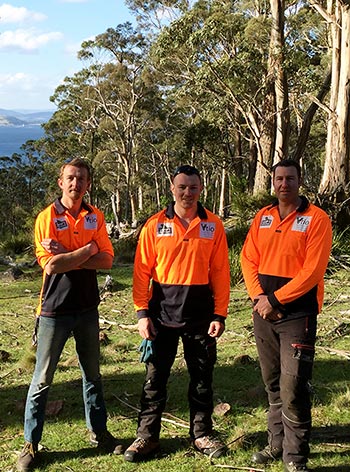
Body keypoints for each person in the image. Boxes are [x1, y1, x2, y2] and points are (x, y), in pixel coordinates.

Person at [17, 158, 121, 472]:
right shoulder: (46, 218)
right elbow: (51, 266)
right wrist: (87, 250)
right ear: (61, 182)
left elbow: (107, 261)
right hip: (53, 311)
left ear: (89, 184)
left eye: (82, 179)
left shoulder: (95, 216)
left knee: (93, 376)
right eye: (70, 178)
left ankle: (99, 433)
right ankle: (31, 444)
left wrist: (69, 253)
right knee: (42, 380)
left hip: (88, 308)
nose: (76, 184)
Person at [124, 164, 231, 462]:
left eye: (193, 187)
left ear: (200, 189)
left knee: (201, 379)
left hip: (200, 316)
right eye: (182, 187)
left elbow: (221, 272)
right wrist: (141, 314)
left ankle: (201, 434)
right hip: (160, 317)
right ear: (171, 189)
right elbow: (141, 272)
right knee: (154, 380)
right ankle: (146, 438)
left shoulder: (213, 225)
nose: (187, 192)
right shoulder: (155, 224)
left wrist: (219, 314)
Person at [241, 159, 332, 472]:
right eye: (279, 179)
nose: (284, 185)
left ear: (300, 180)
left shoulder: (316, 219)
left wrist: (276, 299)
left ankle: (295, 457)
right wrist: (259, 298)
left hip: (298, 315)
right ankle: (276, 444)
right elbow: (248, 258)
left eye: (290, 179)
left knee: (294, 386)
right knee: (273, 382)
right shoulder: (263, 217)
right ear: (273, 182)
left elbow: (313, 271)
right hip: (263, 312)